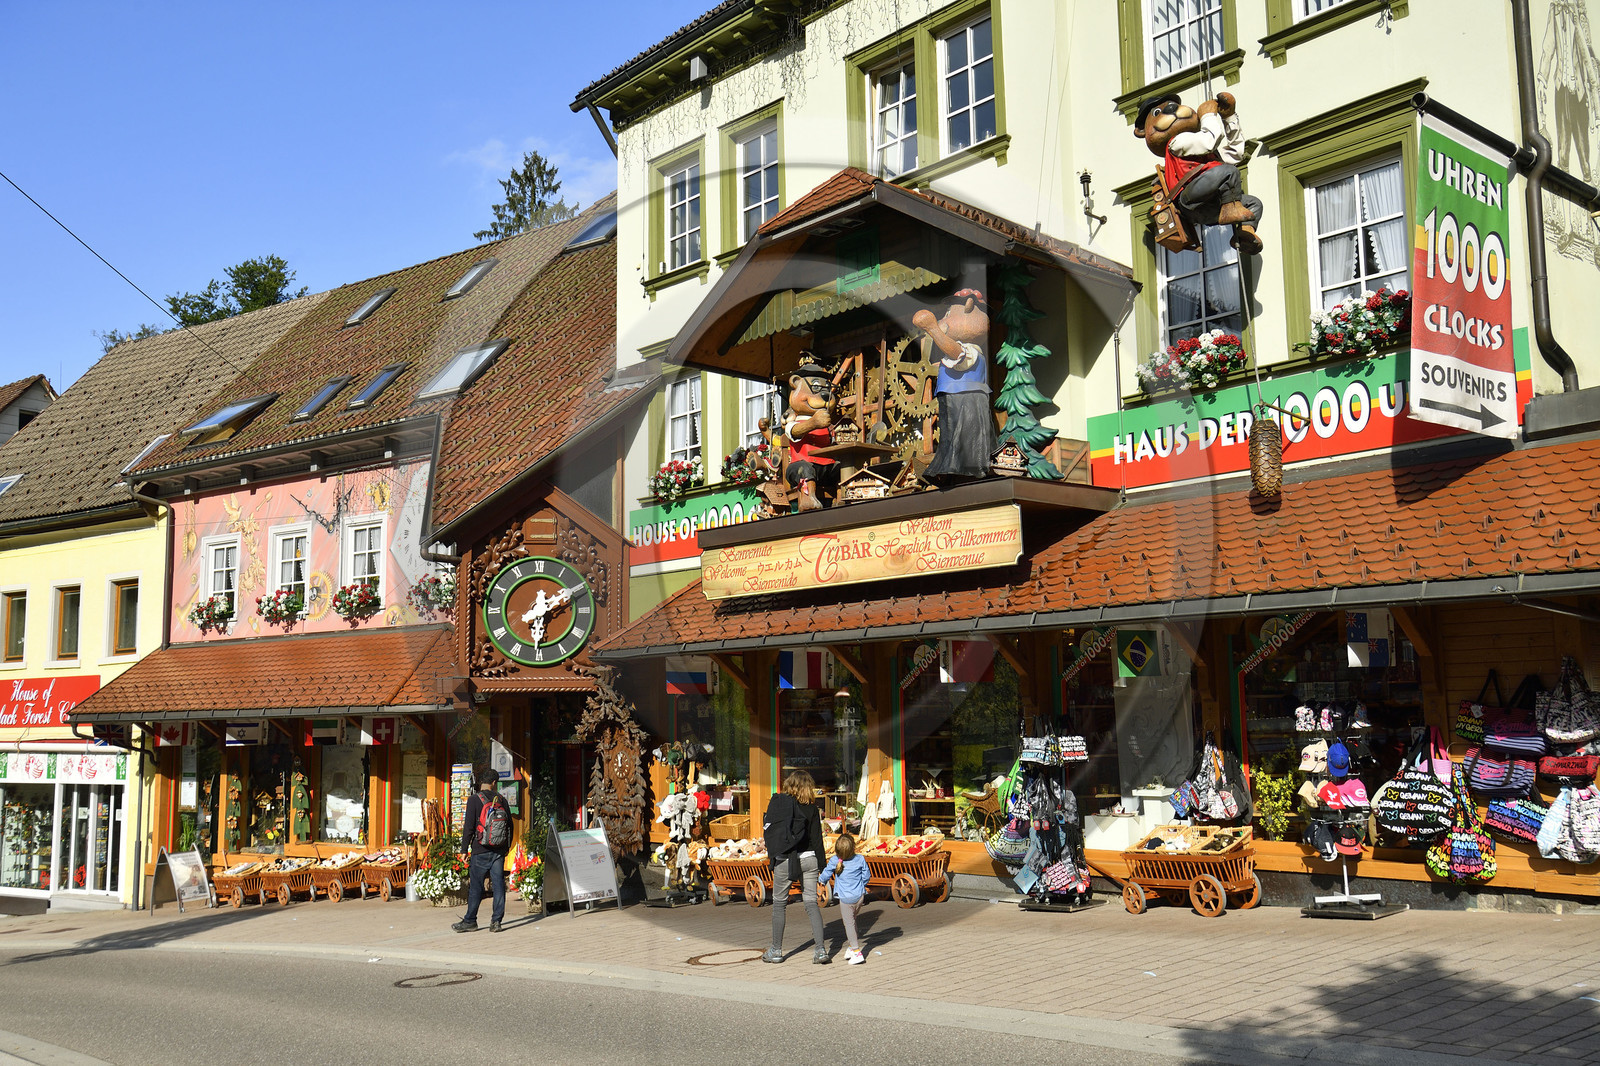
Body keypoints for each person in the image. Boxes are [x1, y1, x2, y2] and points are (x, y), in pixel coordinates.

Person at [762, 770, 828, 964]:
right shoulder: (812, 809)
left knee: (780, 904)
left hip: (785, 860)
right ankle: (821, 951)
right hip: (809, 859)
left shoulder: (782, 806)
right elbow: (817, 840)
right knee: (811, 903)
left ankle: (776, 950)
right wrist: (822, 864)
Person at [452, 767, 510, 933]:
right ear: (494, 783)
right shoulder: (502, 800)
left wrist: (464, 850)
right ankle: (496, 922)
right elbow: (509, 826)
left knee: (476, 887)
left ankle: (470, 921)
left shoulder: (474, 800)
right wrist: (505, 848)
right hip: (498, 850)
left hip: (480, 849)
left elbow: (469, 828)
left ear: (481, 782)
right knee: (498, 885)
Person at [817, 834, 870, 965]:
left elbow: (826, 874)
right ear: (853, 847)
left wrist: (820, 881)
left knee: (849, 924)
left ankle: (857, 952)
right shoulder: (860, 859)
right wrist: (860, 885)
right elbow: (867, 875)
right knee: (853, 921)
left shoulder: (835, 861)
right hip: (859, 897)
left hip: (846, 899)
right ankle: (852, 948)